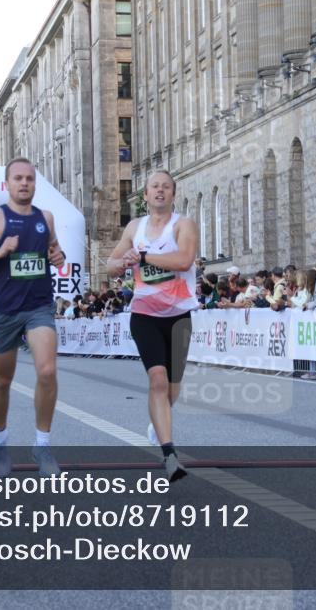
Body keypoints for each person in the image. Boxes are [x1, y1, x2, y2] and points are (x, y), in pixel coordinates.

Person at [0, 157, 67, 477]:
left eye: (29, 179)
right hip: (3, 309)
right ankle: (0, 442)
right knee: (3, 381)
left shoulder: (46, 217)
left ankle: (42, 445)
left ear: (35, 183)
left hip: (39, 307)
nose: (24, 184)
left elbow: (56, 253)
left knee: (47, 371)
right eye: (18, 178)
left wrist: (58, 256)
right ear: (7, 183)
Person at [107, 170, 198, 482]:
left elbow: (184, 260)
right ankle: (169, 453)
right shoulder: (135, 227)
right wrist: (123, 261)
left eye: (166, 187)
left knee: (171, 388)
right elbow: (111, 265)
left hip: (178, 316)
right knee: (157, 380)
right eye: (154, 187)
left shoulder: (183, 224)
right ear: (144, 196)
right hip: (145, 314)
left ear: (173, 194)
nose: (160, 191)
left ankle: (157, 424)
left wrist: (144, 256)